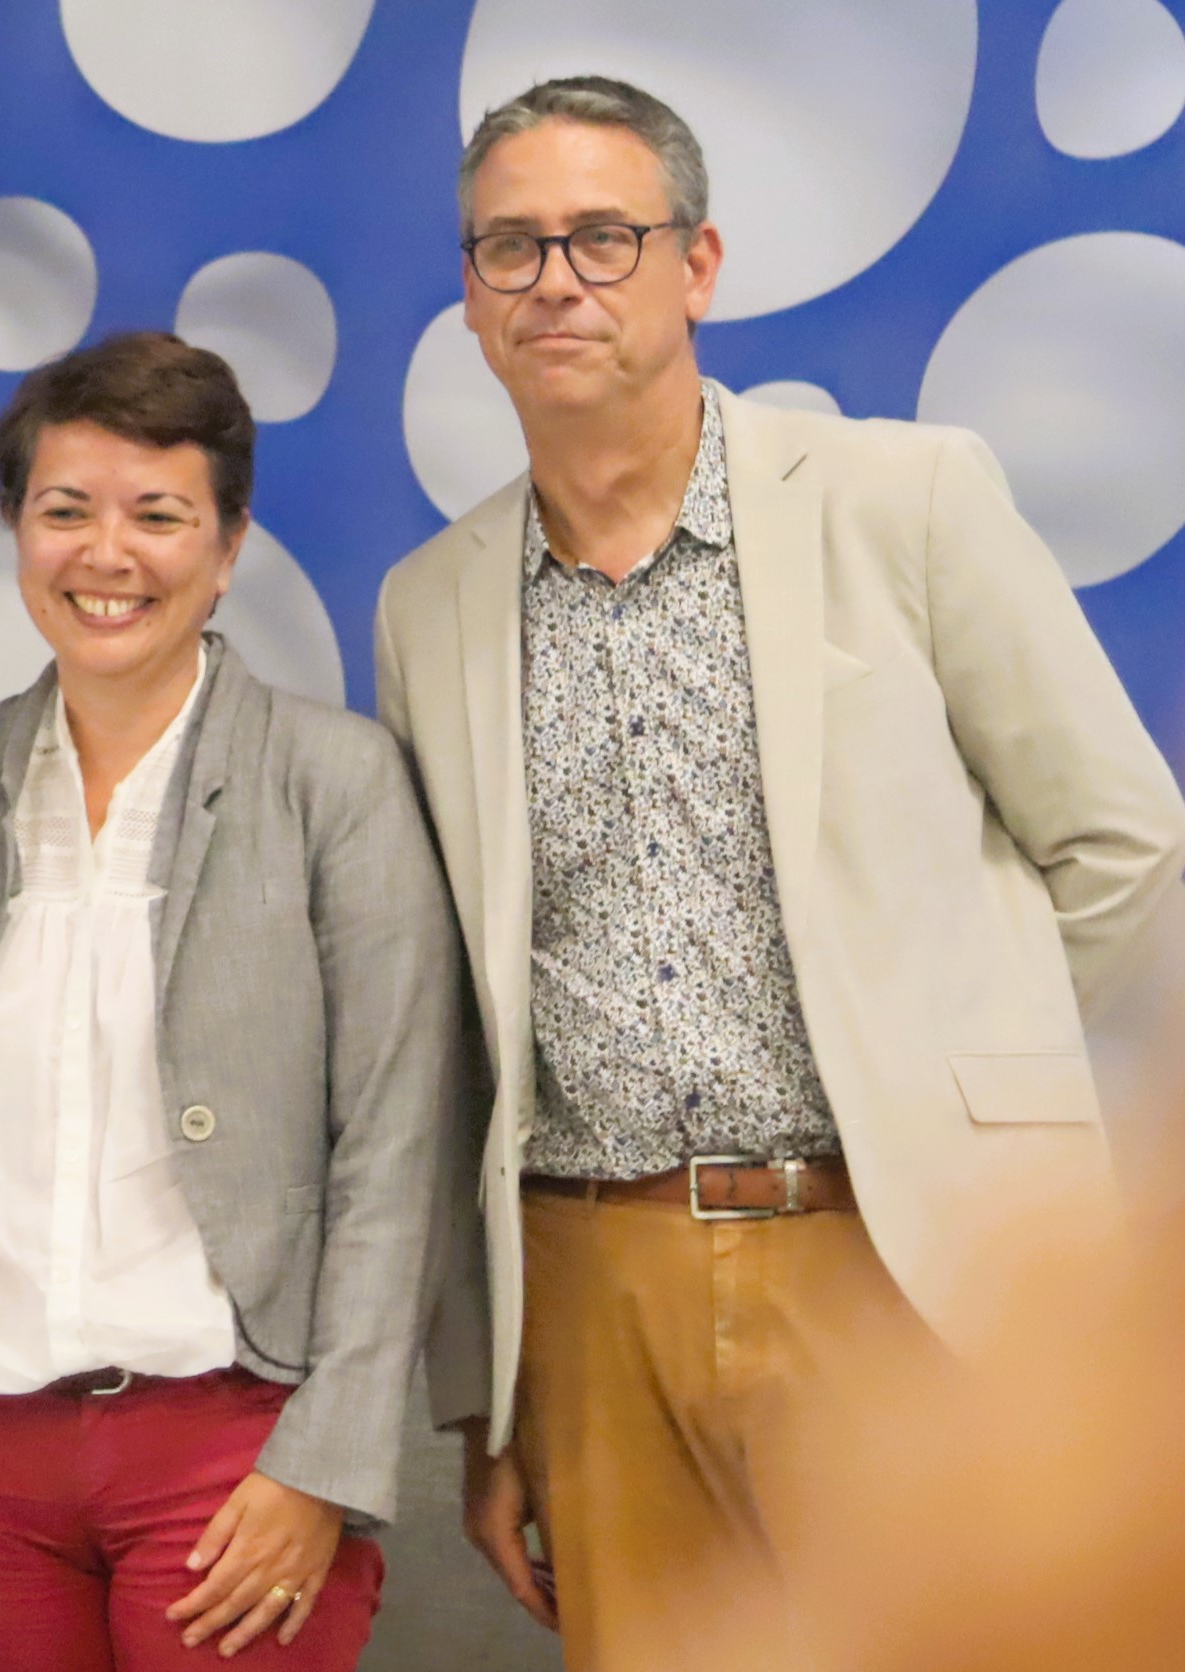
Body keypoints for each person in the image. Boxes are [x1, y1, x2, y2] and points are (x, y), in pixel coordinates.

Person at [375, 75, 1185, 1668]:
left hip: (900, 1253)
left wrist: (935, 1073)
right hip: (592, 1288)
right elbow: (464, 1023)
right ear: (470, 299)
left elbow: (1122, 841)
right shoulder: (428, 606)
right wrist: (485, 1394)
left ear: (700, 264)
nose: (558, 282)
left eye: (605, 238)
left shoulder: (906, 500)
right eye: (512, 248)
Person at [0, 331, 468, 1669]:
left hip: (239, 1444)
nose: (106, 554)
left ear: (228, 545)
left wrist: (327, 1463)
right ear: (15, 529)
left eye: (159, 515)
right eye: (65, 510)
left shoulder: (336, 785)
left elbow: (398, 1148)